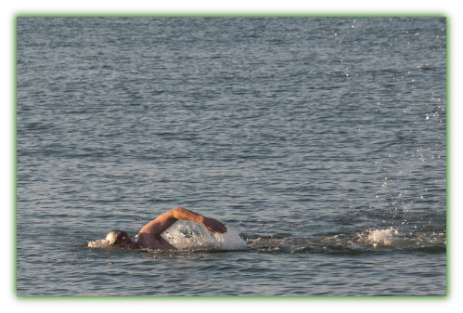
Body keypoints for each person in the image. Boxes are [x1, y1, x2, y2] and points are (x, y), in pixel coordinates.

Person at [105, 207, 227, 250]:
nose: (125, 238)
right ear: (115, 247)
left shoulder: (145, 236)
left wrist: (202, 220)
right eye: (119, 239)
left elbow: (175, 212)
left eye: (124, 234)